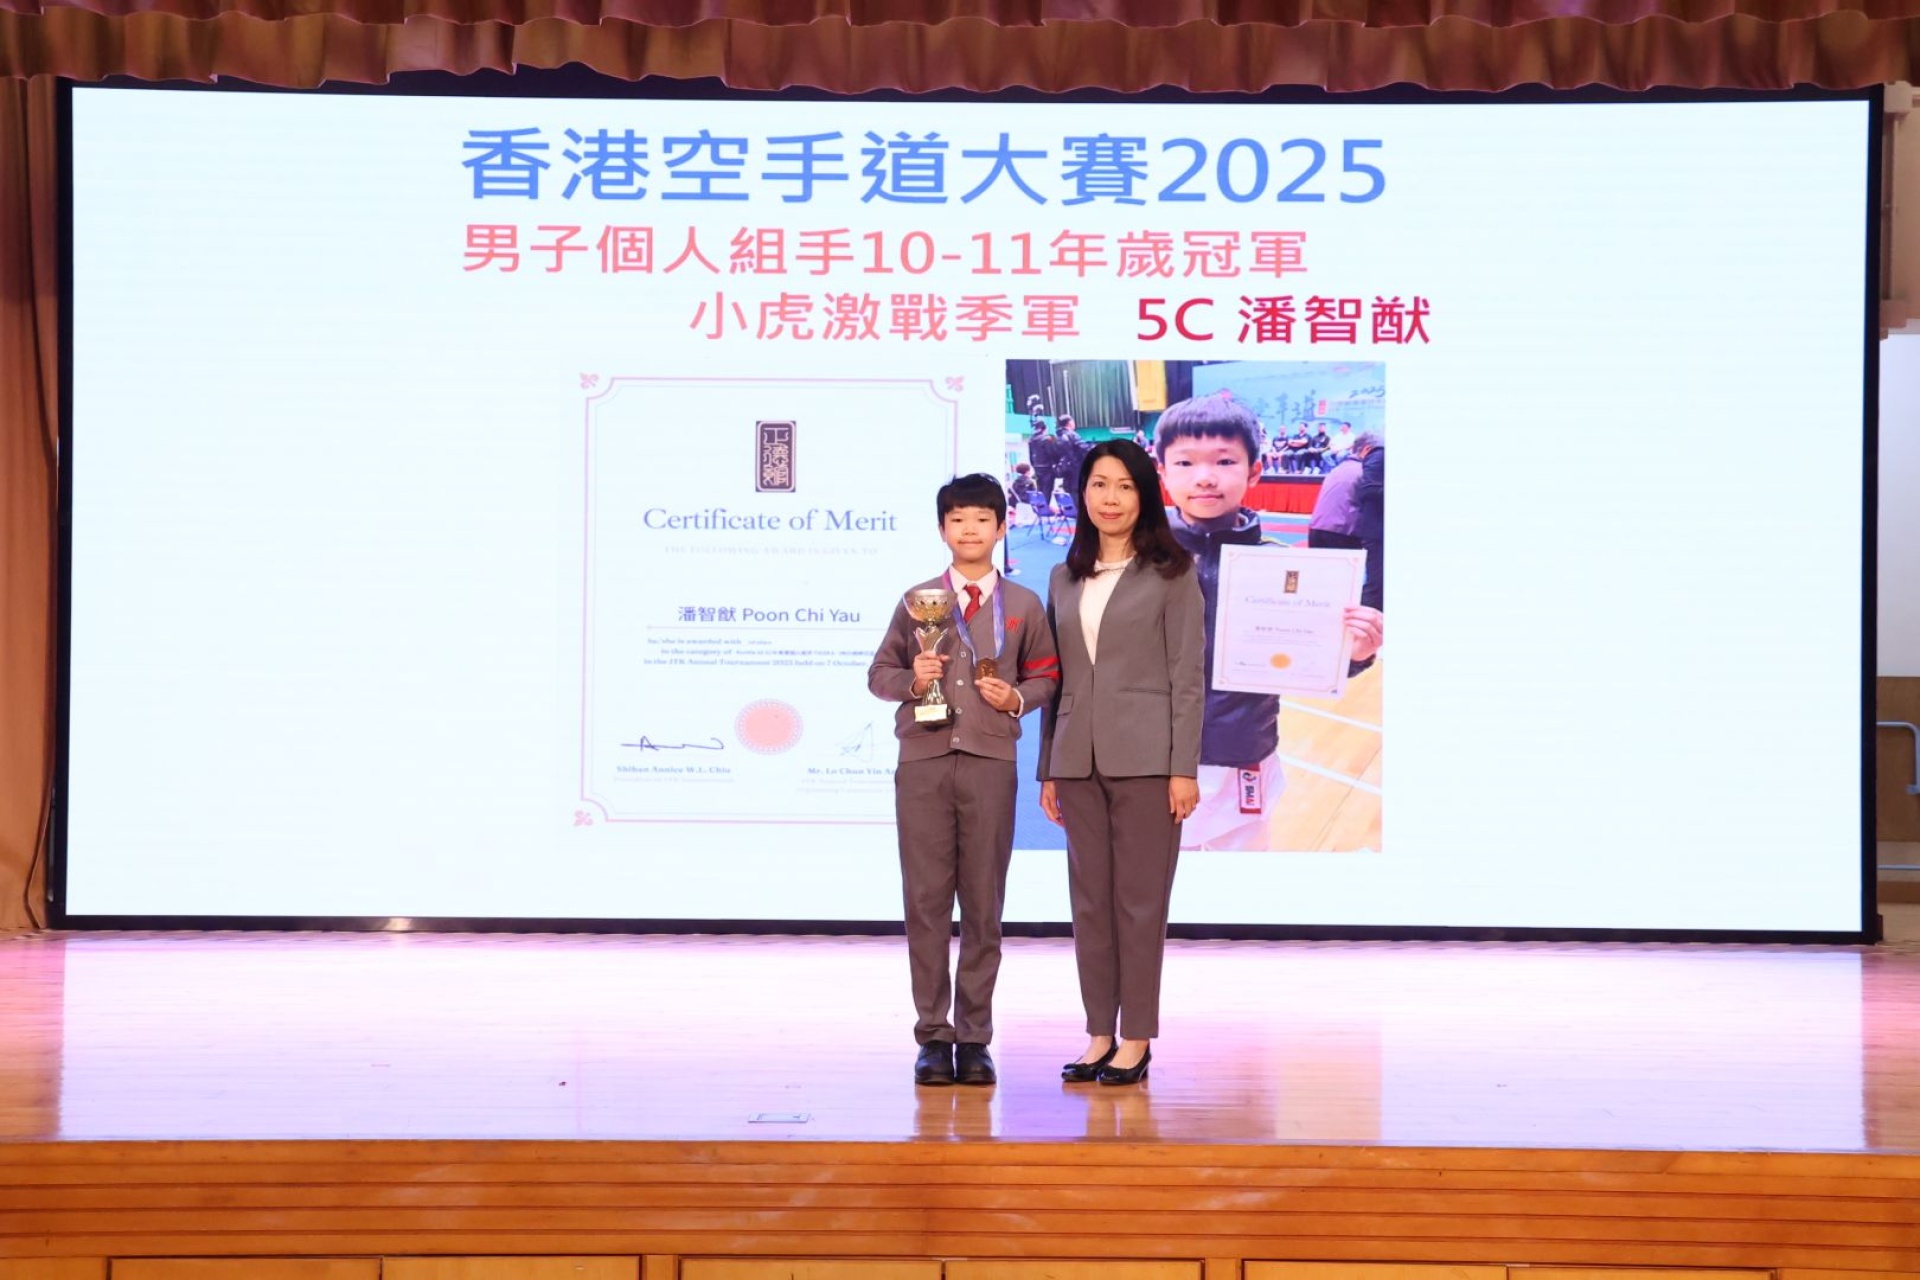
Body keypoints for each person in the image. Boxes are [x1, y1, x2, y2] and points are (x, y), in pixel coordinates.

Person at [868, 474, 1062, 1087]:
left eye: (982, 519)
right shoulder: (917, 600)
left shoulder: (1024, 604)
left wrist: (1016, 698)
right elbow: (878, 674)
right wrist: (912, 678)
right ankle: (933, 1035)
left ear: (1002, 527)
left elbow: (1047, 676)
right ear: (941, 530)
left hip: (989, 762)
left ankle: (974, 1037)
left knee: (983, 903)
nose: (970, 530)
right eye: (957, 520)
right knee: (926, 901)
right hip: (922, 762)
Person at [1037, 440, 1205, 1087]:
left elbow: (1187, 678)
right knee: (1089, 906)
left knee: (1140, 904)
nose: (1110, 498)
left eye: (1125, 486)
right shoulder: (1064, 576)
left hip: (1148, 761)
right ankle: (1097, 1034)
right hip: (1077, 760)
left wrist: (1182, 767)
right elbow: (1055, 678)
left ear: (1144, 496)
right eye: (1099, 484)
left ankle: (1136, 1038)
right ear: (1082, 493)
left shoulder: (1172, 572)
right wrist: (1049, 767)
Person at [1155, 395, 1384, 852]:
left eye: (1225, 461)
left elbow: (1316, 659)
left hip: (1244, 752)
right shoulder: (1129, 561)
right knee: (1155, 885)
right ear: (1161, 472)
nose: (1205, 476)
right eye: (1185, 462)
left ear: (1255, 471)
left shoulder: (1284, 569)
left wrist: (1355, 652)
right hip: (1149, 756)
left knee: (1240, 883)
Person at [1307, 431, 1380, 551]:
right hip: (1342, 532)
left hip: (1317, 530)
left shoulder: (1338, 469)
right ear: (1368, 450)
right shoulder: (1366, 472)